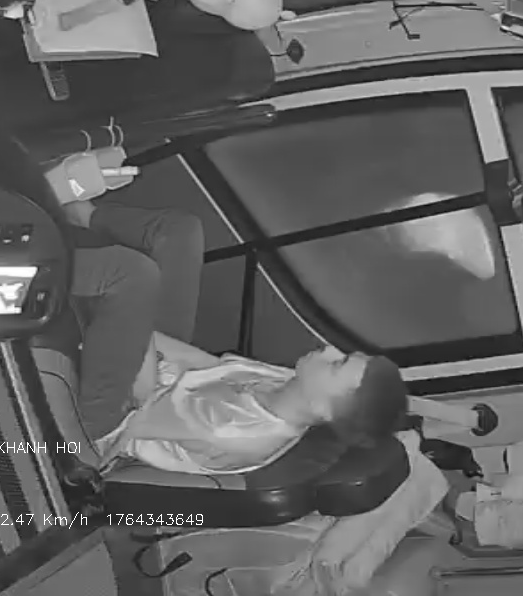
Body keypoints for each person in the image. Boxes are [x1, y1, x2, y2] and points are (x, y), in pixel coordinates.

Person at [97, 334, 410, 475]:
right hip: (150, 376)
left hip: (107, 422)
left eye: (337, 363)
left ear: (323, 409)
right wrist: (141, 332)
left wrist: (134, 333)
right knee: (169, 240)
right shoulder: (291, 384)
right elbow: (205, 364)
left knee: (129, 278)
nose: (328, 349)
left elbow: (134, 414)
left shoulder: (234, 432)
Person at [63, 198, 205, 440]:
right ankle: (75, 210)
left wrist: (142, 345)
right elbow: (214, 369)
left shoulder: (259, 436)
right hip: (170, 371)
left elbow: (147, 419)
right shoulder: (273, 387)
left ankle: (15, 269)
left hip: (120, 414)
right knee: (180, 229)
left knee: (130, 273)